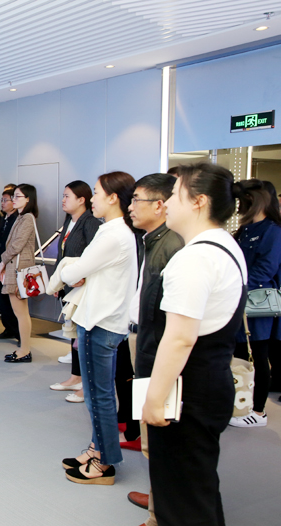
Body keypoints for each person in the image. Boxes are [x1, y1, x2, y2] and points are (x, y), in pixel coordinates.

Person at [141, 163, 247, 526]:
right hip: (210, 381)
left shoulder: (195, 258)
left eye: (174, 194)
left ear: (199, 201)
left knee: (182, 500)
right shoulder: (224, 245)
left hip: (188, 390)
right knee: (196, 489)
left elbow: (180, 338)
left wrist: (155, 399)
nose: (166, 202)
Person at [58, 172, 137, 485]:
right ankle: (96, 448)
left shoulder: (113, 234)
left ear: (113, 197)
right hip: (102, 319)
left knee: (98, 397)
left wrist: (73, 271)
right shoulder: (114, 231)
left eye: (96, 192)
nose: (92, 199)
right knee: (97, 394)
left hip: (100, 322)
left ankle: (104, 462)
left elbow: (72, 272)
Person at [125, 172, 184, 524]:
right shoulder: (153, 240)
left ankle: (159, 514)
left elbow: (172, 324)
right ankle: (157, 499)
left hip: (156, 349)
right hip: (143, 341)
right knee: (151, 437)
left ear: (160, 205)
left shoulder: (172, 245)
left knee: (160, 436)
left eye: (136, 200)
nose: (130, 207)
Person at [230, 179, 281, 427]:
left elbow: (265, 269)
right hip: (239, 301)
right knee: (241, 355)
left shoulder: (273, 230)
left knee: (257, 355)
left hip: (258, 303)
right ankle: (241, 406)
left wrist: (236, 286)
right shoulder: (246, 229)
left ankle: (258, 411)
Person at [50, 181, 101, 402]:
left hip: (81, 288)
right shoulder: (69, 221)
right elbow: (62, 255)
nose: (63, 200)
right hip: (69, 285)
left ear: (82, 200)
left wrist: (81, 277)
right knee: (73, 333)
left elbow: (93, 256)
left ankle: (85, 386)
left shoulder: (91, 223)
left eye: (67, 196)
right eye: (63, 195)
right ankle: (75, 377)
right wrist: (58, 282)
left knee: (82, 336)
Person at [0, 184, 38, 362]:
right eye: (14, 196)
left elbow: (16, 245)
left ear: (28, 199)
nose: (14, 199)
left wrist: (2, 261)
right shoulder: (21, 217)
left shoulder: (27, 218)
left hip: (19, 269)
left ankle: (24, 350)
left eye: (18, 196)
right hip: (15, 267)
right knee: (19, 312)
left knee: (21, 312)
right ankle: (24, 349)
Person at [0, 187, 20, 335]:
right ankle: (8, 328)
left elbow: (14, 245)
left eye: (5, 200)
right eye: (1, 200)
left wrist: (4, 262)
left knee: (11, 298)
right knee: (2, 295)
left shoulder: (18, 219)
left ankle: (16, 330)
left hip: (10, 263)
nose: (2, 203)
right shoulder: (4, 218)